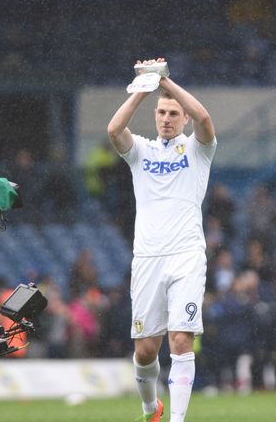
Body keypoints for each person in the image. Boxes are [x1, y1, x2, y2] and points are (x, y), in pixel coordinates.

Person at [107, 58, 216, 422]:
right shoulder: (142, 151)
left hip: (186, 255)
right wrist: (142, 87)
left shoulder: (198, 150)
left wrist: (166, 82)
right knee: (144, 350)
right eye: (161, 113)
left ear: (181, 118)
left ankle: (178, 420)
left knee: (181, 340)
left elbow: (205, 119)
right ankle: (150, 408)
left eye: (173, 113)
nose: (167, 118)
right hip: (148, 258)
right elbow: (114, 129)